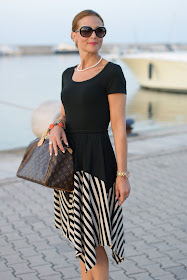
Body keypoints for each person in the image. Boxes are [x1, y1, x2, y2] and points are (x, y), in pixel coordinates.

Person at [48, 9, 131, 280]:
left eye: (100, 31)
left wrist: (122, 175)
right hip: (69, 164)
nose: (93, 36)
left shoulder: (112, 73)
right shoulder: (66, 74)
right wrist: (56, 128)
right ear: (74, 35)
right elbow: (64, 115)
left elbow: (118, 128)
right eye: (86, 31)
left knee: (93, 239)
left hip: (97, 161)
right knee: (80, 238)